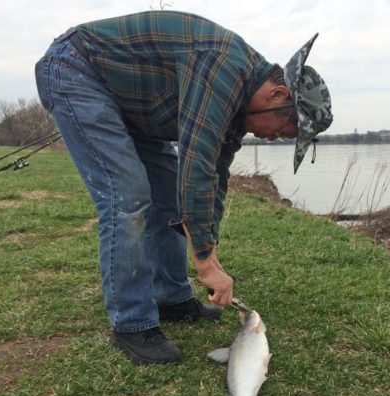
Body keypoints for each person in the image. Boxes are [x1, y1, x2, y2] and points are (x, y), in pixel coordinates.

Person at [35, 10, 333, 365]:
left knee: (170, 194)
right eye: (285, 130)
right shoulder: (222, 69)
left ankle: (172, 298)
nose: (274, 138)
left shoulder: (240, 107)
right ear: (277, 94)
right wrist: (205, 265)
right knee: (127, 196)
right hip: (77, 71)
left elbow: (214, 179)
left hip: (132, 106)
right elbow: (197, 165)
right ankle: (131, 324)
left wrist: (209, 248)